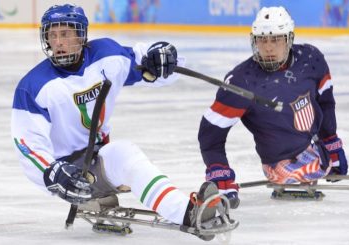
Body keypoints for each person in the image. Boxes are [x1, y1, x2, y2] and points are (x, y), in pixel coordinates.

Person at [11, 4, 223, 238]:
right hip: (66, 172)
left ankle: (184, 212)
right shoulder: (33, 86)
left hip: (98, 157)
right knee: (124, 154)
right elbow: (27, 145)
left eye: (65, 34)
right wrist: (53, 172)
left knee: (124, 157)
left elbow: (149, 64)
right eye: (52, 35)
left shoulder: (106, 56)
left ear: (81, 35)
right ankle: (187, 213)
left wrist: (163, 57)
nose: (58, 43)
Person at [198, 6, 348, 207]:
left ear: (289, 39)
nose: (268, 47)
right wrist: (219, 171)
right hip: (278, 166)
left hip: (316, 151)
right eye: (262, 39)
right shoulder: (242, 81)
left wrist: (331, 142)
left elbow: (326, 103)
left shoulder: (311, 60)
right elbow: (210, 133)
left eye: (275, 39)